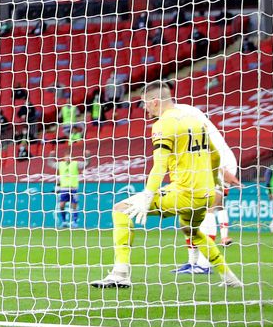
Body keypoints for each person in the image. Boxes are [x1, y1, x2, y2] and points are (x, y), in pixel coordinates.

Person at [90, 81, 242, 289]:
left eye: (144, 103)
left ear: (154, 102)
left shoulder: (163, 124)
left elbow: (159, 166)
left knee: (120, 210)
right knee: (193, 231)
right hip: (205, 193)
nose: (144, 108)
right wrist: (215, 181)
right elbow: (214, 155)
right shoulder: (194, 120)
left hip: (184, 192)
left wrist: (147, 196)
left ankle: (120, 273)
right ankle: (230, 278)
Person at [171, 101, 241, 275]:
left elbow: (208, 147)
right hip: (202, 164)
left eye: (145, 103)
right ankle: (192, 261)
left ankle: (205, 263)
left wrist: (224, 173)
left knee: (208, 209)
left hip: (220, 163)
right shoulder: (177, 114)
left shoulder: (183, 115)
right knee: (188, 211)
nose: (145, 109)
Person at [56, 148, 88, 228]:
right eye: (66, 157)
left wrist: (88, 156)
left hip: (73, 188)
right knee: (61, 205)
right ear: (64, 158)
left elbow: (86, 163)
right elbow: (51, 165)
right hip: (64, 189)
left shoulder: (75, 164)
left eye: (69, 157)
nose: (68, 158)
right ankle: (64, 222)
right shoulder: (61, 165)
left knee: (74, 205)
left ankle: (74, 222)